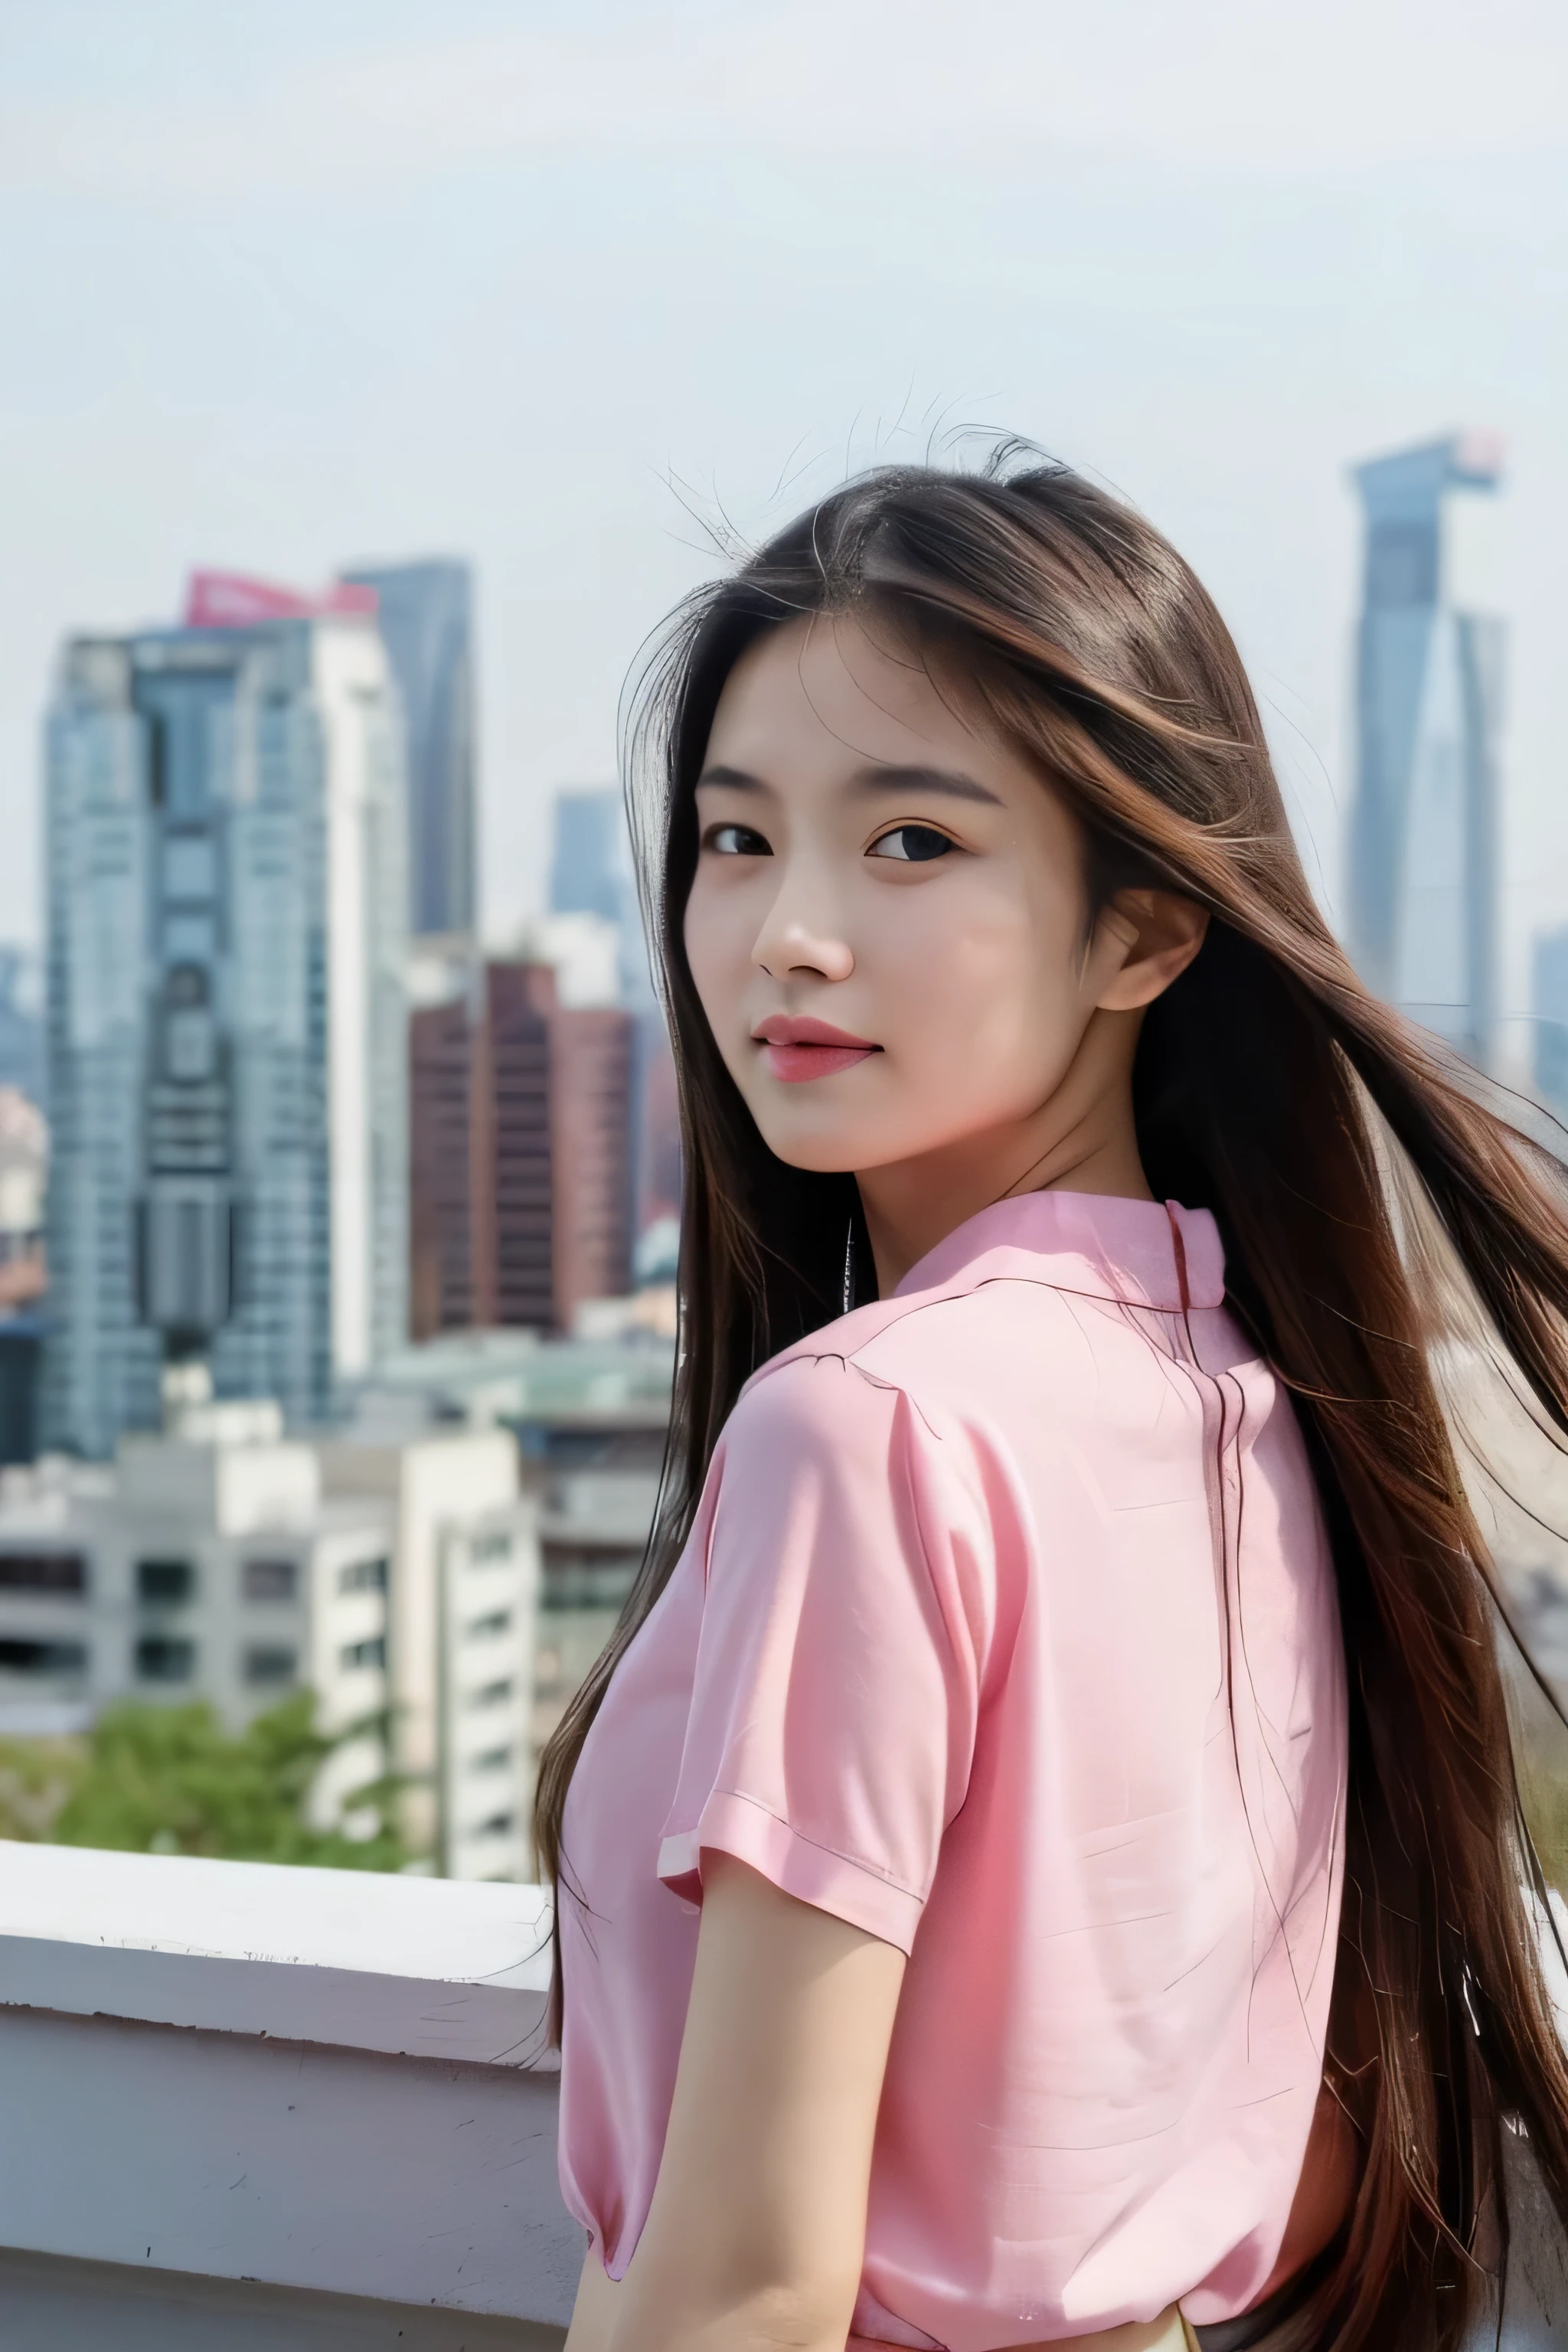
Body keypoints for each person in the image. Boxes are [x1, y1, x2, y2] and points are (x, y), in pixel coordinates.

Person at [534, 449, 1568, 2352]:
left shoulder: (872, 1423)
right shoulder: (1246, 1397)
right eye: (736, 837)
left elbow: (745, 2284)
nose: (788, 933)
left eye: (911, 842)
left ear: (1146, 933)